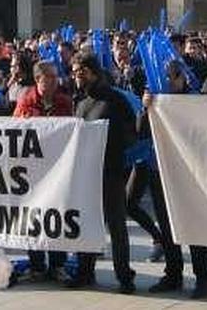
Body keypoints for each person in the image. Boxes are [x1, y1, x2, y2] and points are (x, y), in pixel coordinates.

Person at [144, 60, 207, 299]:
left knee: (194, 226)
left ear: (182, 78)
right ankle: (173, 273)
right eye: (165, 77)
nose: (168, 81)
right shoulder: (154, 99)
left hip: (188, 171)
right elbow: (140, 130)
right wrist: (146, 109)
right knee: (166, 224)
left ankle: (203, 277)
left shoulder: (193, 101)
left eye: (173, 76)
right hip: (159, 168)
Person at [69, 53, 136, 294]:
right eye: (74, 72)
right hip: (87, 174)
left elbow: (132, 131)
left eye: (80, 72)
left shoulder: (116, 100)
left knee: (117, 226)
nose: (76, 77)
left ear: (93, 72)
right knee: (86, 223)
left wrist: (114, 148)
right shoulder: (81, 103)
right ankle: (85, 271)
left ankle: (124, 276)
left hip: (112, 172)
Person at [13, 61, 72, 282]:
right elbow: (13, 132)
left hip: (58, 171)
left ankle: (58, 264)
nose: (56, 81)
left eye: (56, 77)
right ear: (39, 79)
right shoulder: (25, 103)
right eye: (51, 77)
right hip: (33, 173)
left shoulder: (65, 102)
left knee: (57, 217)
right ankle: (37, 264)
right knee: (34, 219)